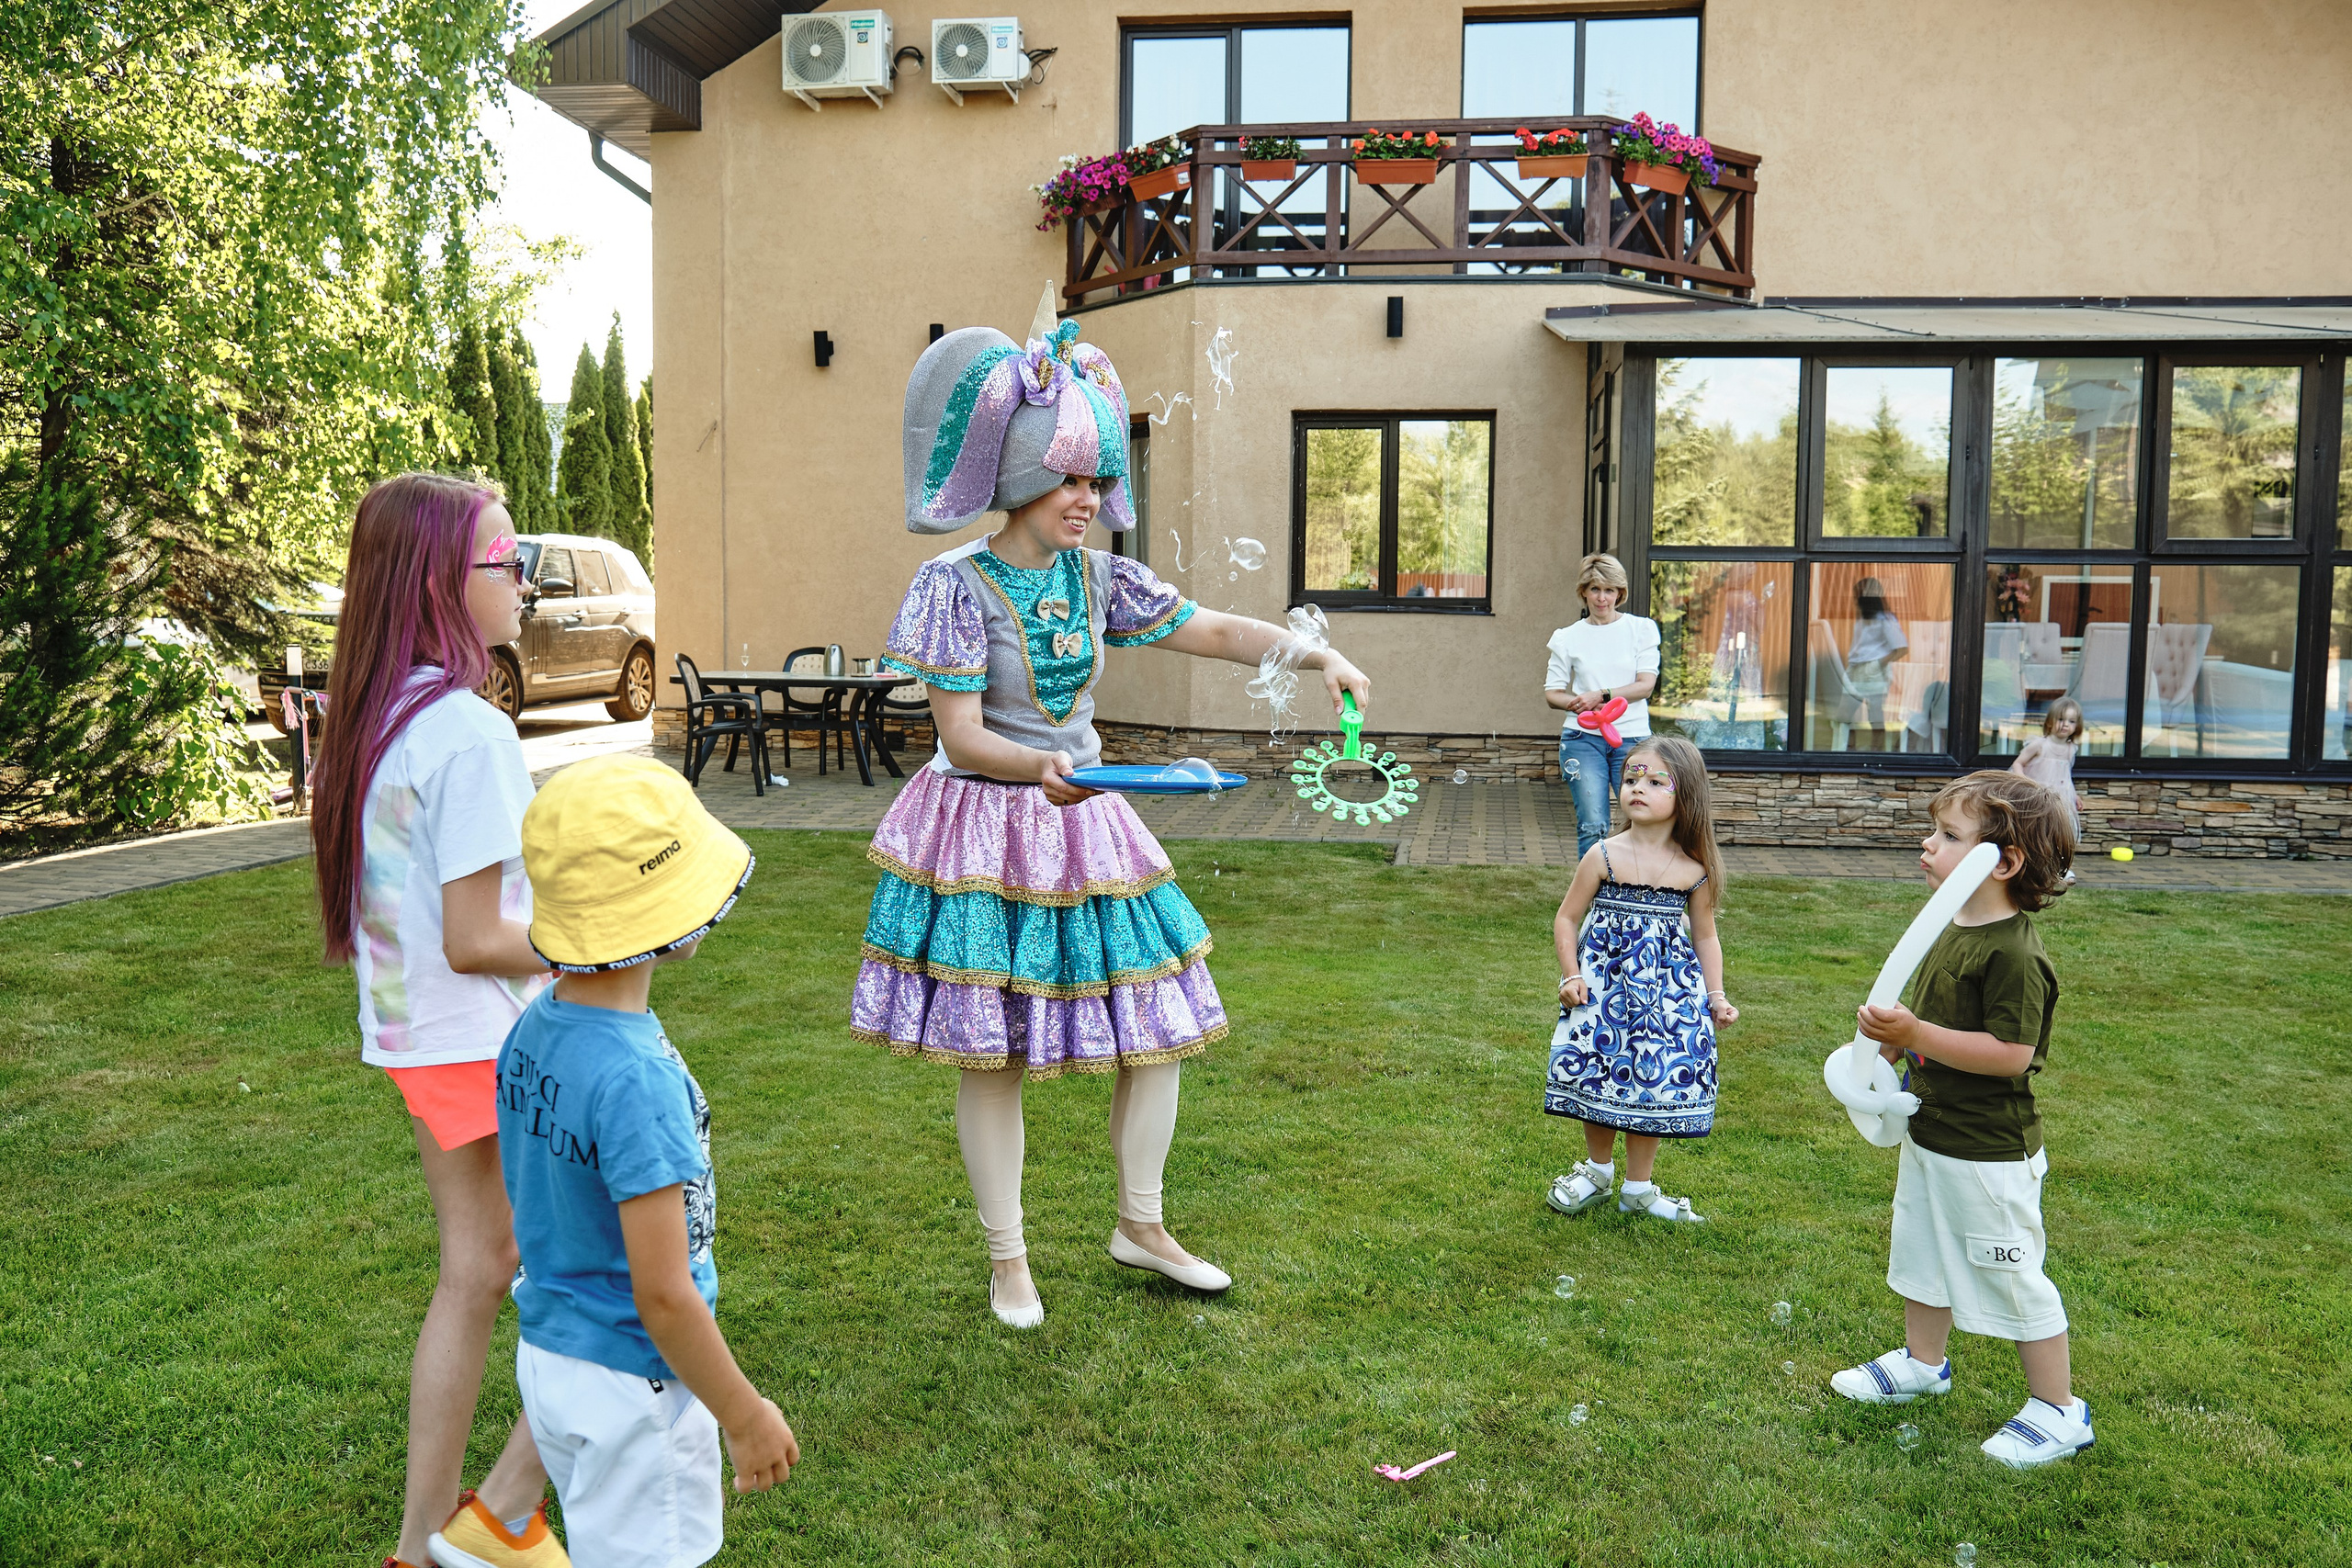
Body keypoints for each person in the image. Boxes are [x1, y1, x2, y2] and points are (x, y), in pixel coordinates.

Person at [854, 295, 1371, 1329]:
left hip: (1088, 819)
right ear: (1018, 479)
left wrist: (1316, 654)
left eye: (1095, 478)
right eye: (1066, 480)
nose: (1086, 498)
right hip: (989, 828)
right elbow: (959, 738)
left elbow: (1213, 630)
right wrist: (1038, 773)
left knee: (1155, 1026)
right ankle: (1009, 1259)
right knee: (993, 1044)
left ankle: (1141, 1224)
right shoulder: (953, 586)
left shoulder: (1101, 579)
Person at [307, 474, 567, 1568]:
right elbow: (475, 935)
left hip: (428, 1042)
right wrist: (612, 942)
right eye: (509, 564)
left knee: (481, 1270)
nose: (527, 585)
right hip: (482, 1039)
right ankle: (500, 1519)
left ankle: (424, 1544)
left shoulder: (381, 714)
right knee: (619, 1269)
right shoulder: (463, 729)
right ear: (439, 583)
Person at [490, 754, 797, 1568]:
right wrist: (745, 1412)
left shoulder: (533, 1028)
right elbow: (661, 1293)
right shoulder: (638, 1083)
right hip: (635, 1385)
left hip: (552, 1359)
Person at [1831, 773, 2089, 1470]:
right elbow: (1923, 1017)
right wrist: (1887, 1045)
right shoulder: (1950, 928)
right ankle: (1924, 1362)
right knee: (1922, 1256)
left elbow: (2010, 1053)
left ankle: (2059, 1409)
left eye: (1948, 836)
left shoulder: (2014, 953)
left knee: (2011, 1275)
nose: (1928, 844)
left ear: (2000, 862)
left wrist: (1916, 1030)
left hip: (1988, 1152)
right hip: (1932, 1135)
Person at [1543, 736, 1738, 1224]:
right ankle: (1596, 1172)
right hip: (1604, 992)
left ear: (1685, 795)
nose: (1637, 788)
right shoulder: (1603, 856)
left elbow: (1706, 938)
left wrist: (1716, 995)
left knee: (1652, 1080)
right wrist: (1571, 975)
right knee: (1597, 1071)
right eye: (1631, 778)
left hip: (1669, 997)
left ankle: (1639, 1187)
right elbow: (1566, 919)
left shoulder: (1695, 870)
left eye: (1655, 781)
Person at [1544, 554, 1660, 860]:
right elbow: (1552, 693)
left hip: (1633, 741)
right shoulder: (1567, 637)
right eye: (1595, 589)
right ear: (1584, 591)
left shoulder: (1641, 629)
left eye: (1609, 590)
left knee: (1641, 821)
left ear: (1620, 593)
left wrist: (1601, 695)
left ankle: (1633, 891)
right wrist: (1577, 704)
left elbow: (1645, 685)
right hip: (1582, 741)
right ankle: (1591, 898)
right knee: (1593, 824)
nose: (1602, 598)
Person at [1845, 575, 1909, 747]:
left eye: (1858, 595)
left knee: (1875, 714)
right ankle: (1849, 748)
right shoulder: (1862, 618)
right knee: (1846, 713)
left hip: (1873, 671)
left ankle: (1876, 749)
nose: (1855, 600)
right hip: (1855, 669)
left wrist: (1877, 664)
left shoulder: (1885, 619)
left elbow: (1902, 648)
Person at [2010, 696, 2086, 837]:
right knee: (2035, 826)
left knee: (2056, 828)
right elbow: (2018, 763)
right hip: (2038, 794)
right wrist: (2024, 781)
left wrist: (2075, 796)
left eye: (2071, 721)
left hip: (2060, 796)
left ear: (2077, 726)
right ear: (2050, 721)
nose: (2065, 725)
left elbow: (2066, 776)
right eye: (2060, 719)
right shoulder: (2040, 745)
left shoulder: (2070, 749)